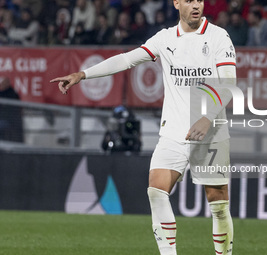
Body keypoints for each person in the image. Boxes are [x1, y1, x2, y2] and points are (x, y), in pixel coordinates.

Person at [50, 0, 236, 254]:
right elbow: (126, 59)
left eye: (200, 0)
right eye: (190, 0)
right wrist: (83, 75)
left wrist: (206, 119)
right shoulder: (165, 38)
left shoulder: (218, 37)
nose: (196, 5)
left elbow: (227, 84)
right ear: (177, 3)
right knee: (156, 191)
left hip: (210, 131)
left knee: (218, 204)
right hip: (173, 132)